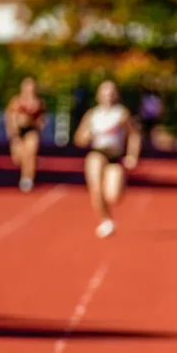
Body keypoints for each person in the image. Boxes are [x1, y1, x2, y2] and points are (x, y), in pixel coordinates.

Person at [73, 80, 142, 238]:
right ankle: (106, 220)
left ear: (116, 95)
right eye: (105, 93)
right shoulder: (92, 114)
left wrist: (132, 155)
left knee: (113, 196)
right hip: (97, 153)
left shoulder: (121, 113)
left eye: (111, 93)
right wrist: (87, 135)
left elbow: (134, 135)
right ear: (99, 96)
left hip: (115, 156)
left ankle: (117, 188)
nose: (108, 97)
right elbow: (79, 139)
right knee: (95, 187)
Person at [4, 77, 47, 192]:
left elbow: (42, 121)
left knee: (30, 153)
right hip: (17, 132)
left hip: (31, 131)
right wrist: (12, 130)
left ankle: (27, 178)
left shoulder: (39, 103)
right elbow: (9, 116)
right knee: (18, 158)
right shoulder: (16, 101)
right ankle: (27, 168)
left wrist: (31, 122)